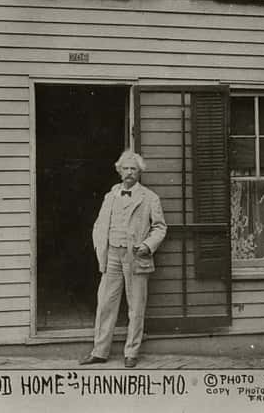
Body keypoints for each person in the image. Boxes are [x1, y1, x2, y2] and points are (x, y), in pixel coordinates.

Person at [78, 149, 167, 368]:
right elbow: (99, 224)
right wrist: (101, 246)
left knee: (136, 306)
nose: (129, 172)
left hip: (135, 256)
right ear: (119, 171)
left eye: (133, 169)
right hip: (112, 256)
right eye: (125, 168)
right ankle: (100, 351)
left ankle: (131, 352)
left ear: (139, 173)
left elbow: (160, 227)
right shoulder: (111, 196)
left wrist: (147, 245)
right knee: (106, 303)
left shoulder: (149, 198)